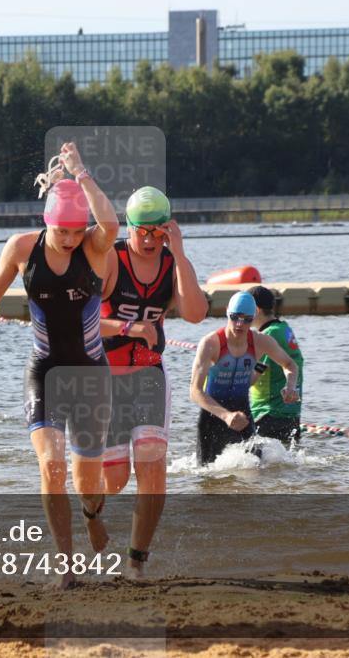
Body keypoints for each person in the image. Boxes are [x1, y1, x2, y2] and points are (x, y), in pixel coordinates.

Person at [0, 142, 118, 589]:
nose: (71, 240)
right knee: (52, 467)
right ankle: (65, 566)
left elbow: (110, 221)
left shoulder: (94, 247)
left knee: (87, 479)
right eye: (63, 233)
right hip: (45, 372)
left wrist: (81, 172)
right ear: (46, 222)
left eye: (77, 232)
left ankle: (92, 512)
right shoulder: (20, 248)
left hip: (91, 375)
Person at [98, 185, 207, 578]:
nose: (148, 239)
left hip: (148, 377)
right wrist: (131, 326)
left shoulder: (171, 261)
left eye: (157, 231)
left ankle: (136, 561)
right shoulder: (112, 258)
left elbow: (195, 313)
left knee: (153, 466)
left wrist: (179, 253)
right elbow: (79, 321)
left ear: (168, 229)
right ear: (129, 227)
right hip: (106, 379)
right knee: (114, 480)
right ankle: (88, 510)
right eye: (141, 231)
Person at [189, 291, 300, 465]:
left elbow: (290, 365)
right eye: (235, 317)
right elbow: (195, 391)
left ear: (254, 316)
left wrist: (291, 386)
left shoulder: (261, 341)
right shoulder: (211, 343)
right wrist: (226, 416)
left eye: (247, 319)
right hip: (213, 417)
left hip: (243, 416)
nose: (240, 324)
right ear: (227, 311)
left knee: (255, 472)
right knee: (206, 477)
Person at [248, 285, 305, 445]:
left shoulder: (267, 336)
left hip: (267, 414)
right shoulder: (284, 329)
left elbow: (252, 378)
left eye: (246, 310)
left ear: (256, 310)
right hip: (291, 416)